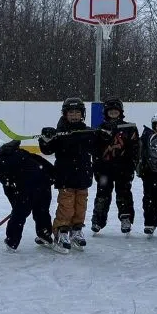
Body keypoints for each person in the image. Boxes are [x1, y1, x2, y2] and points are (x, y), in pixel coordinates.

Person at [38, 97, 99, 252]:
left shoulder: (87, 131)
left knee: (81, 205)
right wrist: (46, 138)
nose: (74, 115)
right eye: (71, 112)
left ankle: (77, 229)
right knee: (66, 205)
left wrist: (103, 137)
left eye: (77, 112)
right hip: (65, 175)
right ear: (65, 114)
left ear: (82, 114)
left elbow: (97, 149)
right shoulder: (59, 133)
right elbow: (47, 150)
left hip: (83, 175)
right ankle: (61, 230)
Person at [0, 138, 55, 251]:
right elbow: (39, 160)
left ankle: (12, 241)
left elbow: (8, 188)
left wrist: (15, 205)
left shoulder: (0, 163)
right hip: (43, 185)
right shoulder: (19, 152)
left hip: (27, 189)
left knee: (18, 216)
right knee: (42, 211)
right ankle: (45, 235)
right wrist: (53, 175)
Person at [90, 97, 140, 234]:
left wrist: (134, 164)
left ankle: (126, 218)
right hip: (105, 169)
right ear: (106, 113)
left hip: (124, 168)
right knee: (102, 195)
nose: (113, 113)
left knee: (124, 194)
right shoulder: (100, 129)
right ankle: (98, 220)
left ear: (120, 112)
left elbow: (135, 147)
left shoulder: (129, 128)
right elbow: (94, 149)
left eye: (115, 110)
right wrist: (96, 166)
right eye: (110, 111)